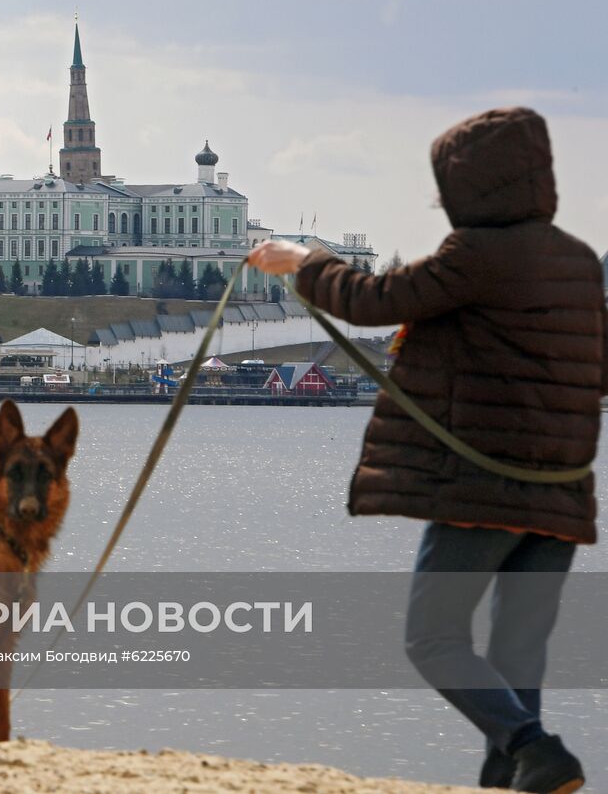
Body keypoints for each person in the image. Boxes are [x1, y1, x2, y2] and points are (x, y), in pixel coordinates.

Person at [249, 107, 605, 794]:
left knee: (432, 637)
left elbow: (375, 298)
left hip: (484, 485)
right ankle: (512, 775)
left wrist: (303, 261)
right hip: (563, 490)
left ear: (476, 186)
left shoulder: (475, 256)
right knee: (516, 647)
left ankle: (536, 749)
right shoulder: (579, 262)